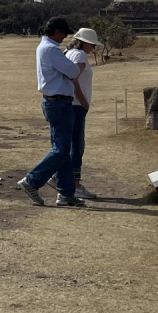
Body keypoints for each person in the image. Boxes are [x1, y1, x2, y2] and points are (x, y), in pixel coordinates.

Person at [15, 17, 85, 207]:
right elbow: (73, 72)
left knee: (62, 150)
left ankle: (66, 193)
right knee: (61, 150)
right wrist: (72, 65)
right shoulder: (51, 49)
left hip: (55, 102)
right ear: (56, 32)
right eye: (63, 33)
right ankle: (32, 181)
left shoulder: (45, 47)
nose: (64, 37)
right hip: (59, 103)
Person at [66, 27, 102, 200]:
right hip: (76, 106)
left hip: (70, 104)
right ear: (84, 43)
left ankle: (64, 177)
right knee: (77, 145)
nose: (93, 48)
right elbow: (72, 78)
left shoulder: (69, 53)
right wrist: (83, 101)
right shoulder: (79, 56)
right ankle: (75, 184)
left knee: (71, 144)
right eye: (92, 45)